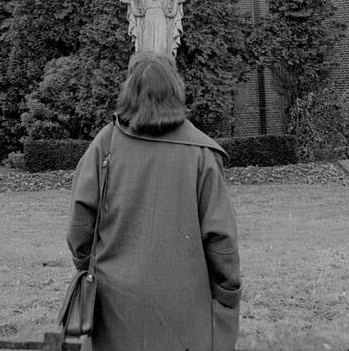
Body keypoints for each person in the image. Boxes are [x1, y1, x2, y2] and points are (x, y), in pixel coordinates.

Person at [66, 52, 242, 351]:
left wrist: (90, 265)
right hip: (186, 306)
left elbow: (80, 227)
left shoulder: (105, 144)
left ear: (129, 90)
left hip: (115, 303)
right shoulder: (202, 155)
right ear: (176, 89)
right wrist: (227, 296)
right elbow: (221, 240)